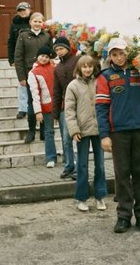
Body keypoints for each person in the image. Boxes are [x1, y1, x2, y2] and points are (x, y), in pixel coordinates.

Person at [95, 37, 140, 234]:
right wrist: (104, 135)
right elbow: (101, 108)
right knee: (122, 175)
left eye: (122, 53)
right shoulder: (105, 77)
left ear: (128, 52)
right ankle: (123, 216)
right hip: (117, 132)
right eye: (114, 54)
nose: (119, 57)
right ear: (109, 56)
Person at [65, 55, 108, 212]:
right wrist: (74, 129)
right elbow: (69, 111)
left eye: (90, 66)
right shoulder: (73, 86)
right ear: (79, 68)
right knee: (82, 165)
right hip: (81, 131)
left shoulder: (100, 82)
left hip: (99, 129)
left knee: (101, 164)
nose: (87, 69)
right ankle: (82, 198)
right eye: (84, 67)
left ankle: (100, 196)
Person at [14, 12, 53, 143]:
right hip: (30, 74)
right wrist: (21, 77)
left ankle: (43, 131)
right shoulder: (23, 36)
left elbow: (51, 55)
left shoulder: (47, 36)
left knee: (44, 101)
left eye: (40, 22)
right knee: (31, 103)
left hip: (44, 75)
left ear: (43, 24)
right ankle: (31, 131)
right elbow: (18, 57)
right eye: (35, 21)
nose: (37, 24)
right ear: (30, 22)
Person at [27, 45, 58, 168]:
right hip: (46, 107)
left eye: (46, 56)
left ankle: (70, 158)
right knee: (49, 132)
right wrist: (38, 111)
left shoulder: (55, 68)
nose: (44, 58)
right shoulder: (33, 73)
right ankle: (51, 158)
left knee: (66, 133)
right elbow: (35, 93)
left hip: (60, 104)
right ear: (37, 56)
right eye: (42, 56)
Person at [52, 36, 78, 180]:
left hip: (79, 106)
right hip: (64, 108)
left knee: (79, 137)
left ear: (68, 48)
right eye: (56, 50)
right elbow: (56, 91)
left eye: (61, 48)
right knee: (66, 139)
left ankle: (80, 167)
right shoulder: (57, 68)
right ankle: (69, 165)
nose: (59, 52)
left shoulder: (78, 61)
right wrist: (55, 113)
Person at [8, 2, 32, 120]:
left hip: (33, 56)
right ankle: (23, 109)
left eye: (25, 10)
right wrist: (11, 59)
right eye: (20, 10)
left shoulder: (33, 21)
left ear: (29, 10)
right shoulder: (14, 25)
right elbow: (11, 42)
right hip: (20, 58)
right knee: (22, 83)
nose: (23, 12)